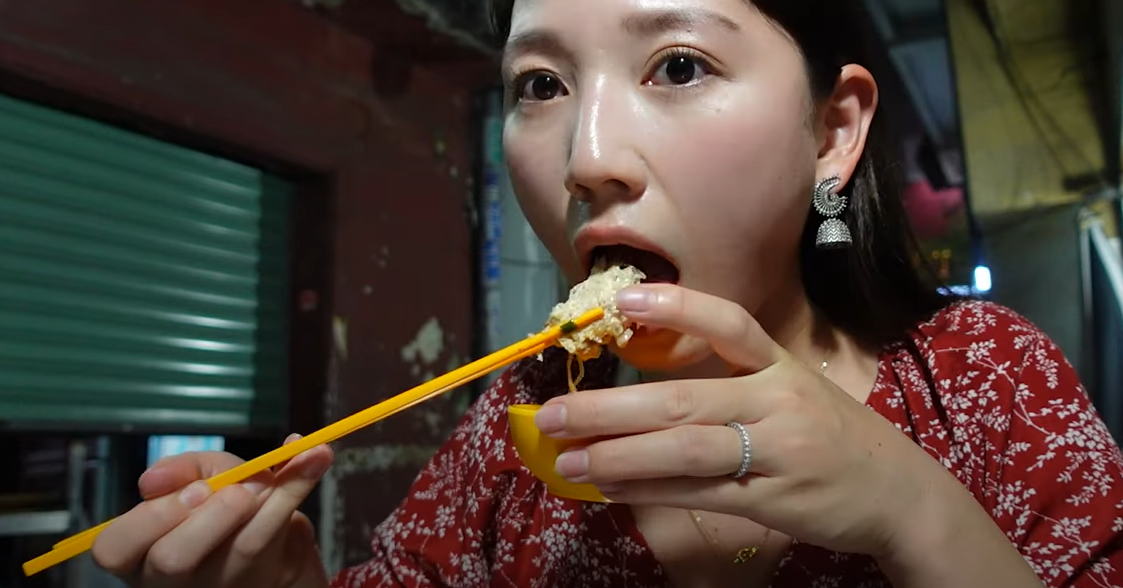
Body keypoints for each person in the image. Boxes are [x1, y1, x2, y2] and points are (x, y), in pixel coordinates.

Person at [90, 0, 1123, 585]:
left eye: (676, 65)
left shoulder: (984, 381)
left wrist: (911, 510)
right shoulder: (518, 427)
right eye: (539, 85)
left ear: (833, 131)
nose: (586, 159)